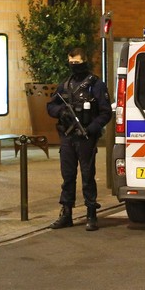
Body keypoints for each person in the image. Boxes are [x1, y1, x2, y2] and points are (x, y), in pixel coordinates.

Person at [47, 47, 112, 231]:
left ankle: (91, 213)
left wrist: (92, 129)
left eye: (77, 62)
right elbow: (51, 107)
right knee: (67, 176)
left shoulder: (96, 85)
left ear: (84, 61)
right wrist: (62, 111)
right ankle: (66, 213)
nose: (74, 66)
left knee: (87, 176)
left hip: (86, 137)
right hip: (68, 136)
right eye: (71, 62)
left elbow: (105, 112)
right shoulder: (65, 85)